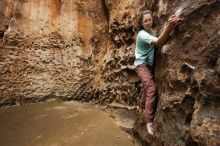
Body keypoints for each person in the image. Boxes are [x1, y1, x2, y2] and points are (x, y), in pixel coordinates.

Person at [134, 10, 181, 135]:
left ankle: (141, 106)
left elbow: (158, 37)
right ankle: (149, 122)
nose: (148, 22)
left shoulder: (151, 32)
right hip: (141, 65)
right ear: (141, 23)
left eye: (150, 20)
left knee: (146, 88)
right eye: (145, 21)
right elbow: (159, 41)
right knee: (151, 90)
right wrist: (170, 26)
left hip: (148, 66)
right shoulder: (142, 34)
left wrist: (168, 24)